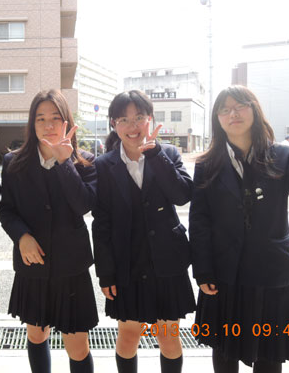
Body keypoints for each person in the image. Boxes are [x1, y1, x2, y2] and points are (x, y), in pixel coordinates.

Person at [189, 85, 289, 372]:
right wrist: (202, 271)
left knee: (269, 353)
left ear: (255, 110)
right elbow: (199, 221)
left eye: (240, 105)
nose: (233, 114)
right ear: (217, 119)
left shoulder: (285, 155)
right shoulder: (207, 163)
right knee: (224, 349)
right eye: (224, 109)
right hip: (223, 273)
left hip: (270, 272)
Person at [92, 90, 195, 373]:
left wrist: (156, 154)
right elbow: (101, 224)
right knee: (128, 336)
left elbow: (182, 195)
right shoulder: (103, 165)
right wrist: (106, 274)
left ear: (150, 118)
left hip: (167, 260)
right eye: (124, 119)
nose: (132, 126)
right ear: (114, 124)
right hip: (127, 263)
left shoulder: (168, 153)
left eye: (139, 117)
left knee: (168, 335)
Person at [0, 89, 98, 373]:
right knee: (36, 334)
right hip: (33, 265)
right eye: (40, 118)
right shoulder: (14, 162)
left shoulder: (84, 161)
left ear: (67, 121)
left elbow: (83, 205)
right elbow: (7, 210)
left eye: (55, 117)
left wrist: (64, 162)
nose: (48, 124)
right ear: (32, 124)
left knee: (77, 344)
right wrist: (22, 236)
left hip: (71, 268)